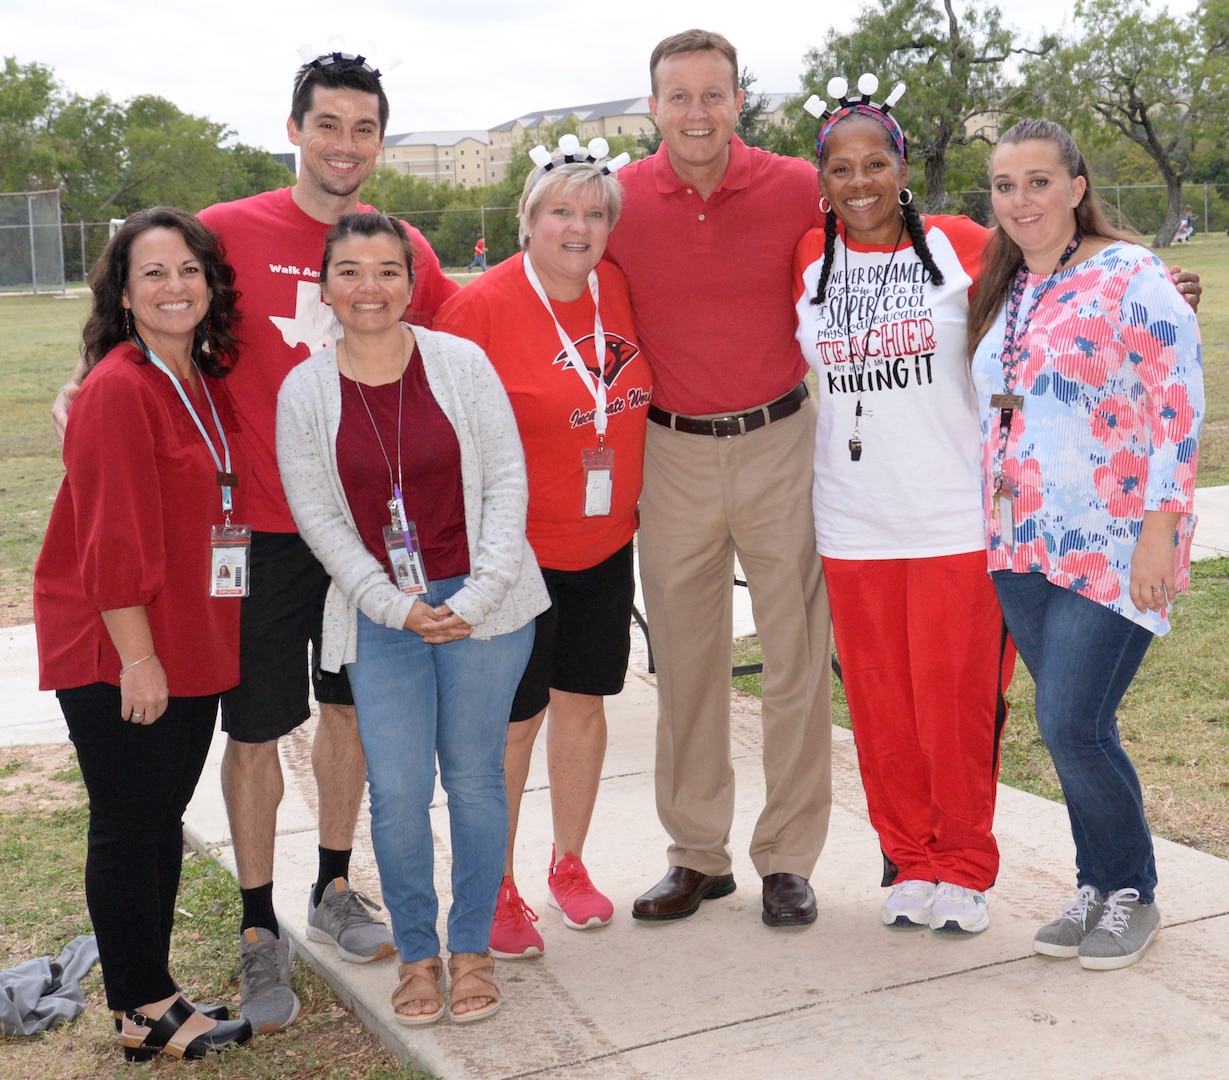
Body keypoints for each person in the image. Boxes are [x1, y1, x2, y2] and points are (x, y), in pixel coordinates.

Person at [51, 52, 459, 1034]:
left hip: (363, 539)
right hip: (262, 536)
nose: (345, 145)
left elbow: (446, 353)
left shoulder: (404, 244)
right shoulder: (228, 233)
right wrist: (86, 375)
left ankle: (330, 886)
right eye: (328, 124)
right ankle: (254, 927)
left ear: (378, 141)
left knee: (352, 716)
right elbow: (149, 299)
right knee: (254, 730)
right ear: (295, 129)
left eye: (364, 128)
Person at [277, 211, 549, 1024]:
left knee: (472, 779)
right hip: (379, 612)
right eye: (351, 271)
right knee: (396, 790)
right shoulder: (305, 389)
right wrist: (395, 603)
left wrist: (473, 597)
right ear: (324, 286)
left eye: (388, 270)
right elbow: (319, 518)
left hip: (486, 607)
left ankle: (470, 951)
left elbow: (506, 482)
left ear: (411, 281)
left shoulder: (459, 363)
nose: (370, 287)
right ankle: (419, 957)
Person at [603, 29, 832, 927]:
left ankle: (786, 856)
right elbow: (538, 275)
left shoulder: (793, 186)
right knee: (687, 663)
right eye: (678, 96)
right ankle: (697, 853)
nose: (696, 112)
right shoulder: (617, 201)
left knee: (794, 660)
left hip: (780, 438)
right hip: (671, 451)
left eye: (713, 94)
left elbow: (912, 249)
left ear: (739, 100)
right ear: (652, 105)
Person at [968, 118, 1204, 970]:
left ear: (1074, 187)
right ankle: (1094, 884)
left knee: (1070, 722)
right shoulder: (1009, 288)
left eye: (1037, 182)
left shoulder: (1130, 273)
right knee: (1075, 725)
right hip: (1018, 545)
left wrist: (1158, 534)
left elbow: (1178, 406)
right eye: (1003, 186)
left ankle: (1130, 889)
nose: (1020, 200)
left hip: (1112, 543)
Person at [792, 76, 1015, 935]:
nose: (859, 183)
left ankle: (963, 862)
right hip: (851, 522)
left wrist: (1151, 285)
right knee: (881, 704)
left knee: (954, 704)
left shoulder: (963, 244)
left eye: (874, 163)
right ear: (822, 182)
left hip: (952, 518)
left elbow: (1064, 276)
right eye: (840, 169)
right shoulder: (807, 264)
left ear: (901, 167)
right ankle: (911, 860)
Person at [34, 207, 253, 1061]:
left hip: (182, 632)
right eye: (153, 273)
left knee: (159, 818)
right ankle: (137, 1009)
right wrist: (139, 659)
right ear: (123, 293)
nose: (174, 287)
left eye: (189, 270)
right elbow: (109, 543)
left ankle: (151, 989)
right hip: (122, 645)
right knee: (130, 824)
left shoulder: (194, 374)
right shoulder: (121, 386)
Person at [434, 142, 650, 957]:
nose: (578, 226)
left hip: (603, 541)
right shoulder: (480, 307)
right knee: (512, 726)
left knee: (584, 704)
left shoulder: (616, 289)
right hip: (516, 555)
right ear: (526, 221)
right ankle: (494, 884)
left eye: (595, 213)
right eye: (560, 210)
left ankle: (567, 863)